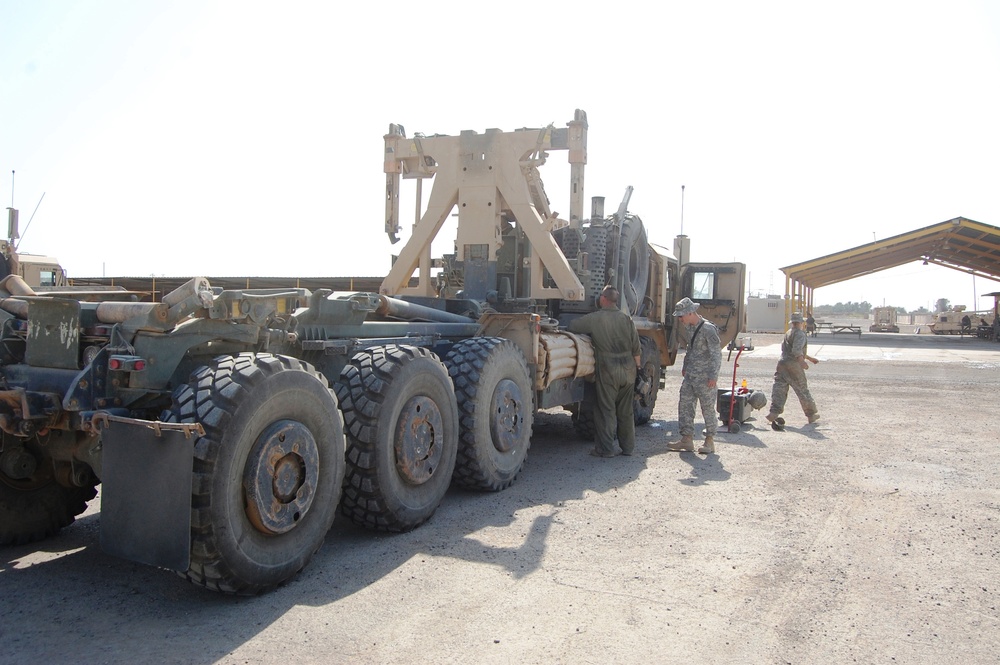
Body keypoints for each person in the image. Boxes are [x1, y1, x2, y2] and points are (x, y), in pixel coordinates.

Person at [569, 285, 642, 458]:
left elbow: (572, 325)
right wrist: (638, 370)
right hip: (628, 369)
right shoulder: (627, 319)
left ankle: (606, 449)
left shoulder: (596, 318)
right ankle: (628, 448)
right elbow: (636, 349)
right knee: (626, 411)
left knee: (606, 409)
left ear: (603, 299)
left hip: (608, 370)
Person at [667, 297, 721, 454]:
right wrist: (685, 367)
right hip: (691, 375)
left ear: (690, 313)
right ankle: (686, 439)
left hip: (705, 378)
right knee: (685, 405)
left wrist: (713, 376)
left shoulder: (708, 329)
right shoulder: (690, 327)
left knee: (707, 408)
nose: (680, 319)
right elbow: (690, 349)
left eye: (681, 316)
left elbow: (716, 354)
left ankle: (709, 441)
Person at [765, 312, 820, 428]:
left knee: (779, 388)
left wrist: (810, 358)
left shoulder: (788, 333)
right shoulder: (800, 334)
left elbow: (791, 350)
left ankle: (773, 413)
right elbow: (796, 351)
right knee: (802, 389)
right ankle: (811, 415)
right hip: (793, 364)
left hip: (782, 363)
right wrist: (802, 362)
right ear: (801, 322)